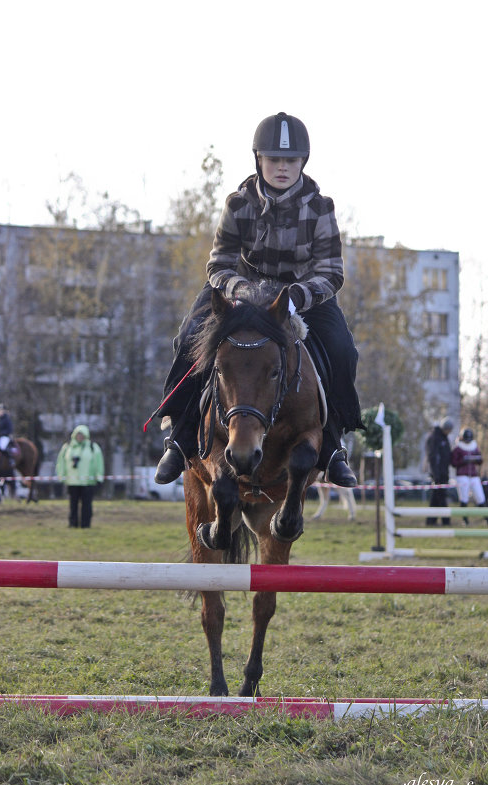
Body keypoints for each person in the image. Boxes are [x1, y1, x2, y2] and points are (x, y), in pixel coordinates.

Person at [154, 112, 362, 488]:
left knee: (343, 349)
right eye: (274, 159)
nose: (282, 167)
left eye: (291, 160)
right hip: (242, 292)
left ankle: (332, 446)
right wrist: (239, 292)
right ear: (259, 160)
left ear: (303, 162)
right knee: (187, 338)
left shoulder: (321, 207)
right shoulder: (238, 203)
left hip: (303, 295)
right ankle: (181, 439)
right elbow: (218, 264)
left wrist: (295, 297)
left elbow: (331, 272)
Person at [56, 424, 104, 529]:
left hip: (88, 482)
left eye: (82, 435)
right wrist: (61, 476)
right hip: (72, 481)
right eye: (78, 435)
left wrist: (99, 476)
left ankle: (86, 524)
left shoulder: (93, 447)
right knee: (73, 505)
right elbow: (61, 462)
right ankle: (73, 523)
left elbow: (98, 462)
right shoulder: (67, 447)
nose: (80, 437)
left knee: (87, 505)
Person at [450, 428, 487, 525]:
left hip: (474, 475)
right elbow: (453, 463)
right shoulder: (457, 448)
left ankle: (486, 518)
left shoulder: (474, 447)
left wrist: (476, 459)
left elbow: (480, 460)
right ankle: (465, 520)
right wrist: (464, 460)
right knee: (464, 497)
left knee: (480, 496)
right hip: (462, 475)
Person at [425, 417, 453, 526]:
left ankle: (431, 521)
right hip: (437, 474)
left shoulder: (444, 438)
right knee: (440, 497)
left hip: (443, 473)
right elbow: (432, 457)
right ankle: (445, 521)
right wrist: (436, 474)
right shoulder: (434, 438)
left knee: (436, 498)